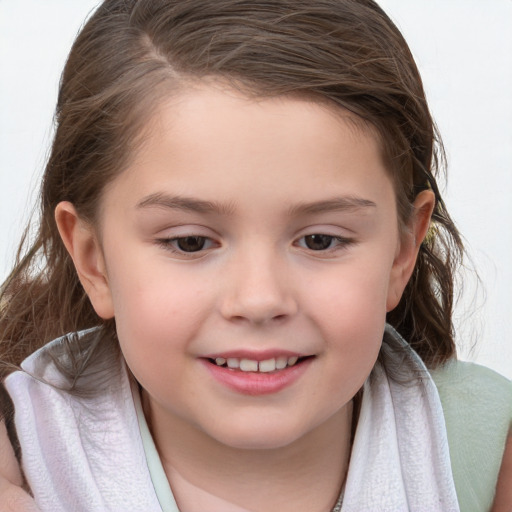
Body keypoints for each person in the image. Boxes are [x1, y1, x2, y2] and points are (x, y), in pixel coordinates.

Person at [0, 0, 510, 510]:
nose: (260, 299)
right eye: (191, 242)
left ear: (402, 252)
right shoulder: (22, 453)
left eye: (320, 240)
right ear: (94, 260)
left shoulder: (484, 447)